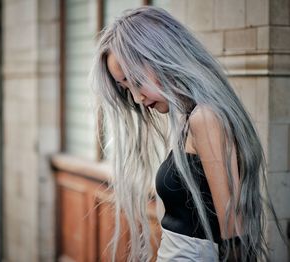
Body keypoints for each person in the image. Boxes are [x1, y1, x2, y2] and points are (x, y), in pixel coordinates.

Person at [90, 6, 283, 262]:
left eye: (136, 81)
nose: (136, 98)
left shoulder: (205, 118)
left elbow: (233, 229)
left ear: (162, 56)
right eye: (126, 88)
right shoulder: (188, 118)